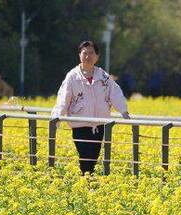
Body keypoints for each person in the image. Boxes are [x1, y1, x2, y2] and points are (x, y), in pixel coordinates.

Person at [51, 40, 130, 175]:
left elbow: (115, 93)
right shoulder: (72, 76)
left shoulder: (103, 76)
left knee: (93, 157)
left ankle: (88, 181)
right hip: (80, 124)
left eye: (91, 53)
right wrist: (57, 116)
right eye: (84, 53)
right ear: (79, 55)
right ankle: (86, 180)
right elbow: (64, 96)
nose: (88, 56)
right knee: (85, 156)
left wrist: (123, 111)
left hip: (98, 125)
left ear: (97, 57)